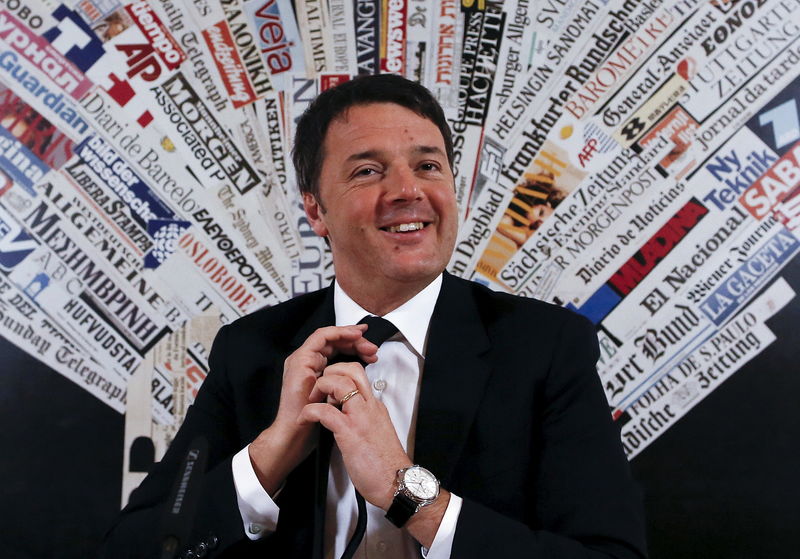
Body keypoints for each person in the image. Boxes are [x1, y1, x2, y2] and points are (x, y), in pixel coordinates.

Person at [101, 74, 646, 559]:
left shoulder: (545, 346)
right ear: (316, 209)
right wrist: (268, 457)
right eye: (368, 171)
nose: (408, 191)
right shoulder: (251, 351)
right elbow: (138, 548)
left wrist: (405, 491)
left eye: (428, 166)